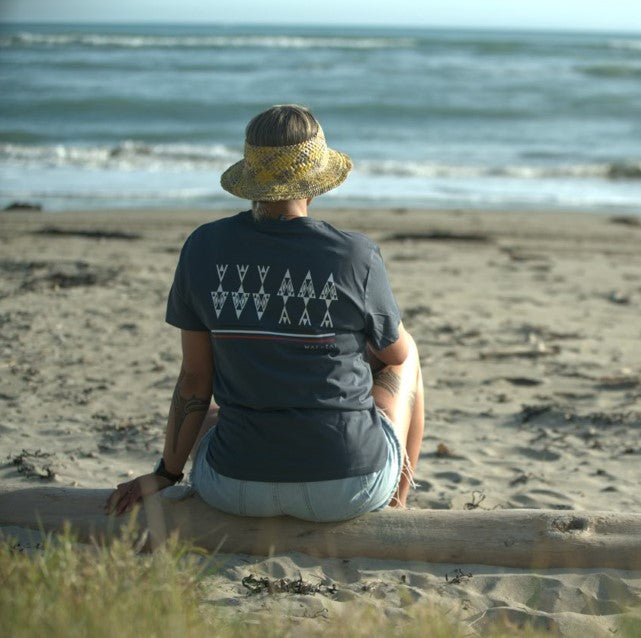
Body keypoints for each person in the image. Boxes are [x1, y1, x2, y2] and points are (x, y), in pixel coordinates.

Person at [105, 104, 424, 521]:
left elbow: (195, 380)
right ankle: (397, 502)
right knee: (405, 353)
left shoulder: (203, 247)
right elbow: (394, 358)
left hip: (233, 487)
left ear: (251, 176)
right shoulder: (354, 255)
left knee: (216, 413)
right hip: (348, 486)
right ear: (318, 182)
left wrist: (165, 473)